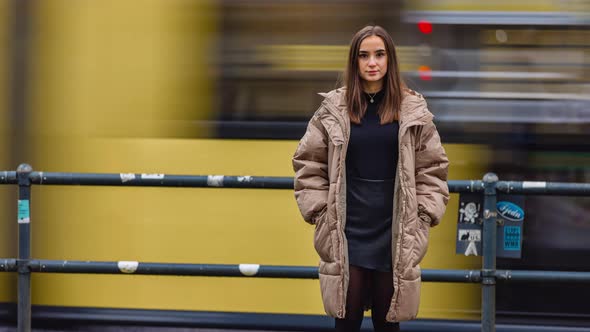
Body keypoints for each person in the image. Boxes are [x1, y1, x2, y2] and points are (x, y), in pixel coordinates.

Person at [292, 25, 449, 332]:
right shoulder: (333, 110)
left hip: (395, 231)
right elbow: (307, 163)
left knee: (387, 323)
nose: (372, 63)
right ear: (354, 62)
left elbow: (433, 168)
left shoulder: (413, 110)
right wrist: (322, 212)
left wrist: (422, 216)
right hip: (347, 231)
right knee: (346, 321)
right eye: (364, 56)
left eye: (379, 54)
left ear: (390, 60)